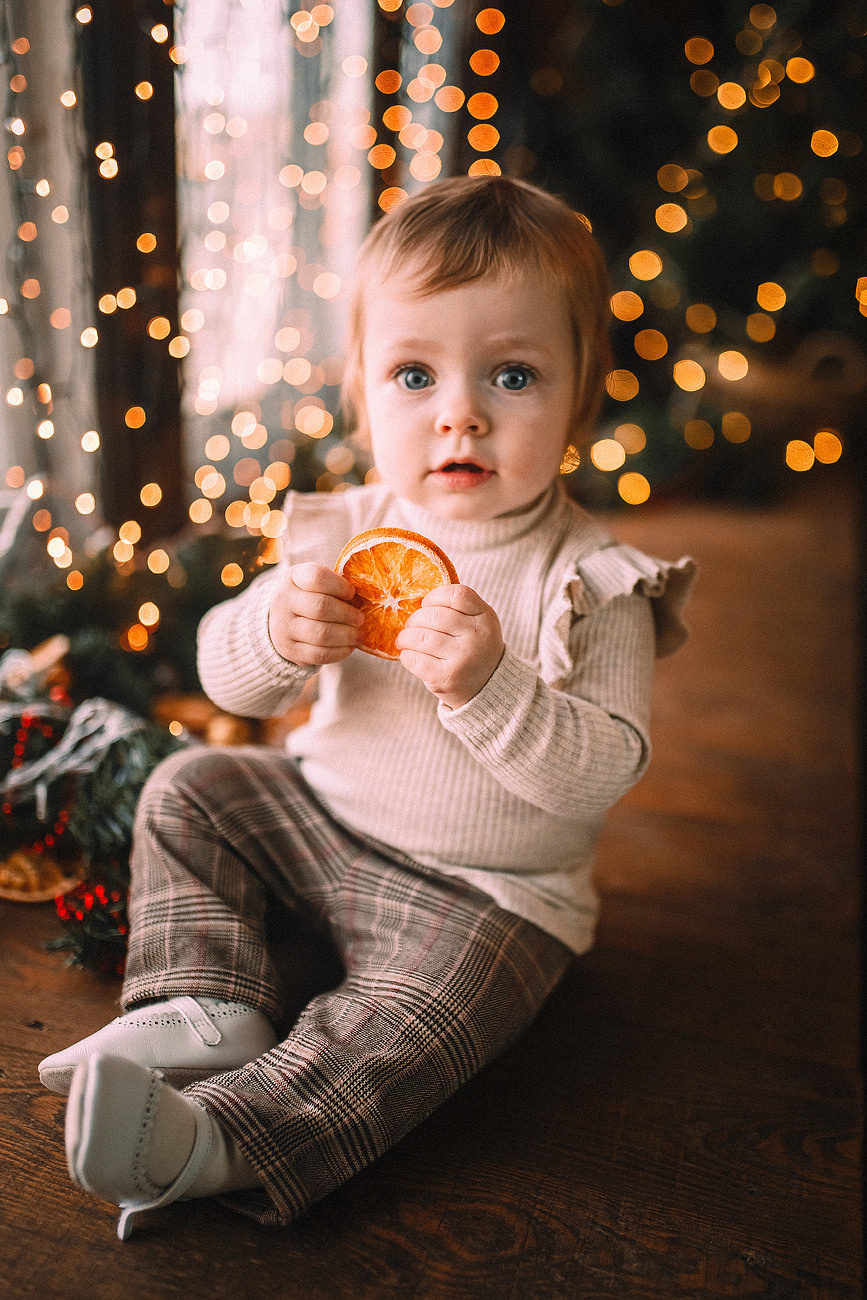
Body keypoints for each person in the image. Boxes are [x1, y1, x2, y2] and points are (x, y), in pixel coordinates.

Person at [40, 176, 696, 1239]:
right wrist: (271, 635)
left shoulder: (596, 580)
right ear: (360, 391)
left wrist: (493, 688)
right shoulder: (338, 534)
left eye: (514, 374)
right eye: (412, 373)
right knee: (192, 785)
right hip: (321, 821)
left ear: (582, 397)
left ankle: (217, 1141)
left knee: (413, 1022)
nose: (460, 412)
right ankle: (202, 1003)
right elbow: (222, 680)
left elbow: (604, 772)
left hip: (489, 895)